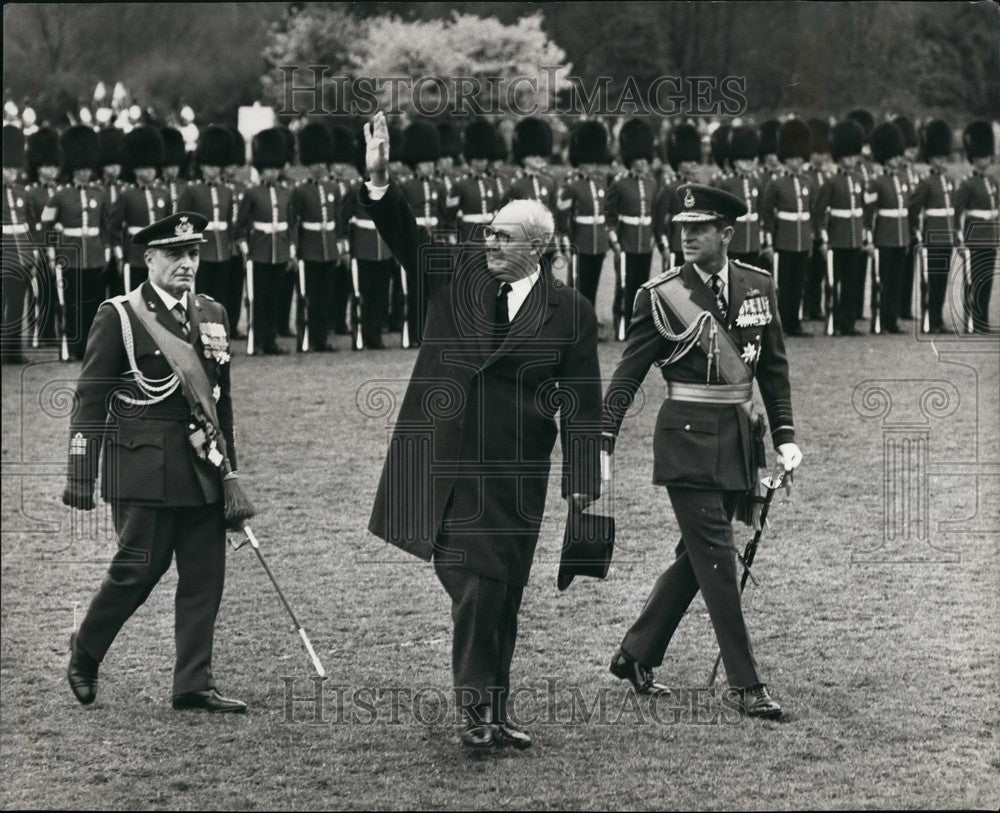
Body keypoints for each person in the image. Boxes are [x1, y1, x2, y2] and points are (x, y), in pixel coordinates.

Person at [361, 111, 602, 751]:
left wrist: (585, 484)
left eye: (501, 236)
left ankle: (495, 709)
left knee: (502, 593)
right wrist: (380, 179)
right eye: (487, 233)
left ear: (538, 248)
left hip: (516, 474)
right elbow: (404, 236)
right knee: (473, 583)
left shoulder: (570, 312)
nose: (488, 243)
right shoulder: (457, 276)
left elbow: (582, 405)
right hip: (442, 463)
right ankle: (475, 712)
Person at [603, 183, 802, 720]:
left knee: (696, 555)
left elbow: (774, 369)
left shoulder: (758, 285)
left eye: (700, 228)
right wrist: (601, 440)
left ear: (726, 234)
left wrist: (784, 437)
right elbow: (627, 375)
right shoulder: (660, 294)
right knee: (716, 557)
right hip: (687, 438)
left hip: (740, 437)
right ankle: (746, 684)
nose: (688, 237)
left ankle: (636, 652)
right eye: (682, 229)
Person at [62, 210, 248, 713]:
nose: (187, 263)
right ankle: (85, 653)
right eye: (175, 254)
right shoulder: (120, 315)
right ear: (150, 259)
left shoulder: (212, 312)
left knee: (205, 577)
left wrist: (230, 472)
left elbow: (219, 399)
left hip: (201, 469)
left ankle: (192, 683)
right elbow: (90, 398)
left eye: (193, 253)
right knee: (136, 573)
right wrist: (81, 473)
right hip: (142, 468)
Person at [40, 125, 114, 360]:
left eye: (87, 168)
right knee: (72, 306)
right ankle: (73, 348)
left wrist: (107, 250)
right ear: (73, 168)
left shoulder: (99, 194)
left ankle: (91, 348)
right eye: (81, 169)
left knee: (94, 305)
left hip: (94, 254)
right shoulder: (60, 195)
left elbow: (105, 226)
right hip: (69, 257)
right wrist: (53, 254)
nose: (85, 173)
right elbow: (46, 225)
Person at [234, 127, 294, 354]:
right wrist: (245, 248)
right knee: (258, 300)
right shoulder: (252, 193)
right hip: (259, 251)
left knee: (274, 298)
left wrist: (290, 250)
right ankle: (257, 339)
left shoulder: (286, 192)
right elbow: (240, 225)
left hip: (278, 250)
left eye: (275, 168)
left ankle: (270, 340)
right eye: (267, 168)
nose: (271, 173)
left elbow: (290, 223)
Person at [289, 121, 345, 352]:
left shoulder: (332, 188)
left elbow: (337, 219)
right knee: (307, 296)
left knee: (325, 297)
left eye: (322, 162)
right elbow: (294, 222)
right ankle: (306, 336)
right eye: (315, 163)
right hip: (309, 249)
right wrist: (295, 249)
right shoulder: (300, 190)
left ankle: (321, 338)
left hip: (328, 249)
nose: (319, 167)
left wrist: (340, 245)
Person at [761, 118, 819, 336]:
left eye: (799, 158)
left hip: (802, 238)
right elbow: (767, 212)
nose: (796, 162)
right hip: (784, 239)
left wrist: (811, 237)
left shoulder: (808, 182)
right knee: (784, 284)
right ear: (785, 158)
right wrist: (769, 239)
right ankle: (783, 323)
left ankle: (795, 322)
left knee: (799, 284)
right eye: (792, 158)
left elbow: (811, 212)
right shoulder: (776, 182)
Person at [815, 120, 870, 335]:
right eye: (847, 156)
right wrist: (824, 238)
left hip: (854, 237)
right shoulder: (831, 181)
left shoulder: (858, 179)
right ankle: (833, 319)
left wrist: (864, 234)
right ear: (839, 156)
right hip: (837, 238)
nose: (851, 160)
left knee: (851, 283)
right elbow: (820, 212)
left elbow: (862, 210)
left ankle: (848, 322)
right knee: (833, 282)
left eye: (853, 156)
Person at [607, 118, 658, 339]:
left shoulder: (652, 183)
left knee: (642, 285)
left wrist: (654, 237)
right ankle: (622, 325)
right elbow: (609, 214)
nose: (642, 163)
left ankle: (638, 324)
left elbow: (653, 213)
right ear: (630, 160)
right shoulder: (619, 184)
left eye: (644, 159)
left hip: (645, 241)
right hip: (626, 241)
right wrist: (615, 241)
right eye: (638, 159)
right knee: (625, 286)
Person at [907, 120, 957, 334]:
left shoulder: (950, 180)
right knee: (931, 280)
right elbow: (913, 208)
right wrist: (917, 232)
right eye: (937, 158)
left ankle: (938, 318)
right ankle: (930, 318)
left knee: (942, 280)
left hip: (947, 237)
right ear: (930, 159)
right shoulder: (926, 182)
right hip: (931, 237)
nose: (941, 161)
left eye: (943, 158)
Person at [179, 125, 237, 305]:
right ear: (202, 166)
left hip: (222, 251)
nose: (214, 170)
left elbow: (230, 222)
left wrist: (231, 245)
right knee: (200, 298)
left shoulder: (227, 191)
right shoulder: (192, 191)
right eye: (210, 166)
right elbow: (183, 222)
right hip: (201, 251)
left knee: (220, 298)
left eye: (217, 166)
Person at [866, 122, 911, 334]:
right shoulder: (876, 181)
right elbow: (870, 213)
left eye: (897, 156)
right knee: (882, 281)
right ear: (885, 157)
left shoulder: (903, 178)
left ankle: (891, 319)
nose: (897, 160)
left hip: (901, 237)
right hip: (884, 237)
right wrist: (869, 237)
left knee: (896, 281)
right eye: (893, 156)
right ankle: (880, 318)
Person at [955, 121, 997, 333]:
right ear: (974, 158)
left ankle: (983, 321)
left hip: (990, 236)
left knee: (987, 280)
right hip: (974, 237)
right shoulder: (967, 183)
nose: (985, 160)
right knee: (974, 280)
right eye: (981, 156)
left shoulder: (993, 181)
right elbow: (957, 211)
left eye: (987, 156)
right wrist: (959, 240)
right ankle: (972, 320)